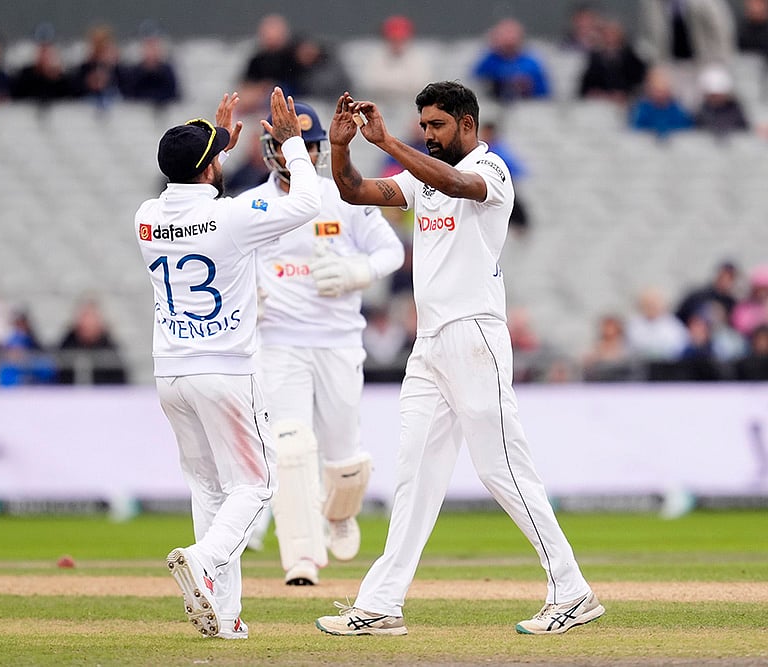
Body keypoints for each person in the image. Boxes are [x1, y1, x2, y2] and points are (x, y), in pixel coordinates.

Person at [314, 81, 604, 637]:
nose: (429, 134)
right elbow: (353, 192)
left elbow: (455, 182)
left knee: (502, 469)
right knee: (414, 475)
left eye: (437, 125)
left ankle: (571, 590)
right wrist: (343, 147)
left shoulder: (491, 170)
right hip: (430, 345)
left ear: (467, 124)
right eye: (423, 125)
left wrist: (391, 143)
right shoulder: (422, 179)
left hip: (475, 336)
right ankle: (380, 605)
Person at [137, 87, 320, 639]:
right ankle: (206, 559)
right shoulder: (233, 217)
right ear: (211, 167)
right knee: (257, 486)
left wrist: (212, 141)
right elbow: (308, 203)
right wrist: (291, 146)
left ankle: (224, 614)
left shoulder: (146, 217)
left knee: (210, 489)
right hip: (224, 371)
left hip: (170, 372)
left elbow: (192, 183)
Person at [242, 101, 403, 586]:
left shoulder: (341, 197)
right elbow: (228, 259)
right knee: (290, 447)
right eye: (299, 146)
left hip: (338, 342)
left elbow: (391, 251)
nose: (308, 154)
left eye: (314, 147)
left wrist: (359, 271)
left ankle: (339, 513)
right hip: (280, 341)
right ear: (273, 151)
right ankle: (302, 558)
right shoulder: (255, 204)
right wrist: (249, 297)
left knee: (344, 455)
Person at [471, 18, 551, 103]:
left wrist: (528, 86)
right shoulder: (488, 61)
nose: (508, 46)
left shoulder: (531, 64)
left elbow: (544, 93)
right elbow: (476, 82)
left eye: (511, 44)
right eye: (505, 43)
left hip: (527, 106)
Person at [578, 17, 649, 104]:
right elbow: (586, 86)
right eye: (607, 34)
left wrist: (625, 93)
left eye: (613, 33)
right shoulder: (595, 59)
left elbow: (640, 81)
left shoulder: (631, 57)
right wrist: (598, 93)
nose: (610, 37)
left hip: (627, 102)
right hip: (600, 103)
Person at [118, 22, 180, 109]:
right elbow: (129, 96)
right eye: (148, 46)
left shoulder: (167, 70)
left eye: (154, 46)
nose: (151, 51)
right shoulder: (134, 72)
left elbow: (174, 95)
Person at [628, 65, 694, 139]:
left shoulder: (678, 110)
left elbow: (685, 129)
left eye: (663, 90)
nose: (660, 94)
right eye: (657, 90)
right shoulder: (641, 109)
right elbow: (635, 129)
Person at [69, 24, 123, 108]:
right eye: (97, 44)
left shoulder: (117, 68)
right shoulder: (85, 68)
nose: (100, 49)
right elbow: (74, 90)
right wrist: (89, 83)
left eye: (103, 44)